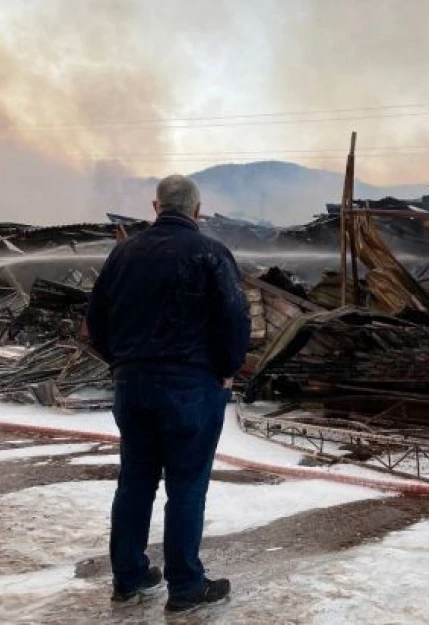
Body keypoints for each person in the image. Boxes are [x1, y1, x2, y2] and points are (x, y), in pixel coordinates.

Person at [86, 175, 251, 613]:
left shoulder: (123, 254)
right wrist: (227, 369)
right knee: (186, 487)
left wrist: (122, 362)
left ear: (155, 206)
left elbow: (95, 323)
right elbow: (235, 320)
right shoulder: (211, 254)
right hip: (191, 387)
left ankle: (129, 577)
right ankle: (185, 586)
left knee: (135, 482)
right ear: (197, 210)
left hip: (132, 384)